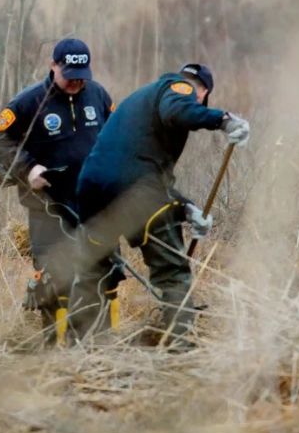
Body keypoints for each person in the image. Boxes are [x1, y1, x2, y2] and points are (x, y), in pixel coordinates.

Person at [69, 63, 250, 349]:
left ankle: (88, 348)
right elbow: (176, 112)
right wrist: (224, 120)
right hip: (136, 193)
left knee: (94, 272)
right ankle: (178, 347)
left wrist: (187, 209)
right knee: (172, 272)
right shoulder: (179, 88)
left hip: (92, 192)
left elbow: (137, 169)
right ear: (202, 92)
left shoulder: (139, 101)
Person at [0, 37, 114, 344]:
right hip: (48, 206)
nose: (75, 83)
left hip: (92, 203)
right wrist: (28, 169)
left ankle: (98, 347)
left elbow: (114, 134)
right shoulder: (29, 102)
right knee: (54, 275)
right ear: (53, 66)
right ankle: (51, 349)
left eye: (81, 75)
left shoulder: (97, 94)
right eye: (68, 75)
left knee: (100, 273)